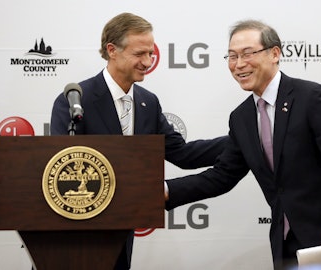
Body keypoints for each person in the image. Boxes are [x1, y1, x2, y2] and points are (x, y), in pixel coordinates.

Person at [164, 19, 321, 269]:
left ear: (275, 53)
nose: (238, 64)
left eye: (247, 54)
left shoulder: (311, 97)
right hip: (286, 243)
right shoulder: (241, 117)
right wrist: (166, 190)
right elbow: (222, 175)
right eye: (232, 56)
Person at [50, 12, 227, 270]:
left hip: (124, 227)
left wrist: (241, 140)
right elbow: (60, 168)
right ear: (112, 50)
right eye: (139, 54)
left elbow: (182, 154)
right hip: (78, 233)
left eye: (150, 54)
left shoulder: (148, 101)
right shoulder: (77, 99)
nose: (148, 62)